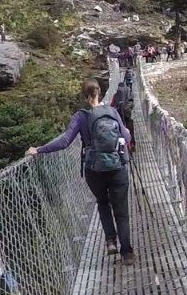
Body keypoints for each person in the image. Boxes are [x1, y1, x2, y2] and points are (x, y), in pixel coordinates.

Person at [27, 79, 136, 265]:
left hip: (94, 170)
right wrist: (124, 130)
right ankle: (127, 253)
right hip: (117, 167)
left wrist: (39, 149)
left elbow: (64, 141)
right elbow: (126, 137)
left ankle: (110, 241)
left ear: (85, 97)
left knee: (103, 203)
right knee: (122, 212)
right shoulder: (112, 112)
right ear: (99, 92)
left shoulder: (81, 116)